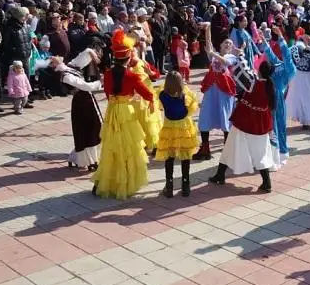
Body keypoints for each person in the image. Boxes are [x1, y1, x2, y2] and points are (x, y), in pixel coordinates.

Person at [92, 30, 155, 199]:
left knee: (111, 147)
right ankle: (127, 181)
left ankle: (105, 180)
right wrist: (149, 101)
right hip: (127, 112)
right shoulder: (132, 76)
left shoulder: (107, 74)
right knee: (129, 147)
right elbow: (147, 94)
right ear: (128, 58)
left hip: (112, 111)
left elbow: (107, 93)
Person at [208, 60, 279, 193]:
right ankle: (266, 182)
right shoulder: (270, 86)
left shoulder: (254, 83)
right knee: (260, 152)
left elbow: (240, 72)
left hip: (244, 120)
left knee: (230, 146)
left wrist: (240, 54)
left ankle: (220, 175)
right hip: (261, 122)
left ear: (260, 70)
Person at [49, 51, 104, 171]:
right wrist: (100, 82)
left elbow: (83, 56)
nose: (55, 55)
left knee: (94, 128)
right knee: (88, 130)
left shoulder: (70, 66)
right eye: (53, 59)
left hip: (88, 100)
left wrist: (91, 52)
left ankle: (88, 158)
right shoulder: (65, 76)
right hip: (82, 102)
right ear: (54, 65)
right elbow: (85, 86)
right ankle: (89, 160)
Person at [193, 25, 237, 161]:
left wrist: (213, 54)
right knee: (205, 116)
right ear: (221, 45)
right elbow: (209, 44)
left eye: (230, 44)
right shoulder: (214, 54)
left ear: (231, 48)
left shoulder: (232, 57)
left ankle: (228, 150)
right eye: (225, 43)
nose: (227, 44)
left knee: (225, 118)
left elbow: (224, 61)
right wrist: (208, 29)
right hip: (211, 89)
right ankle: (205, 148)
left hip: (224, 91)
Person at [155, 71, 200, 198]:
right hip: (184, 127)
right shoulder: (186, 96)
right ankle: (186, 185)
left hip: (169, 127)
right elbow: (191, 109)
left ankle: (169, 186)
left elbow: (160, 97)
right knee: (185, 156)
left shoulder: (162, 95)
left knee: (169, 156)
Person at [258, 26, 296, 163]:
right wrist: (263, 40)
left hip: (278, 98)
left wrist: (281, 37)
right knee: (269, 124)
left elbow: (286, 54)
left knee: (279, 125)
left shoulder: (289, 69)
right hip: (267, 94)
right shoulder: (277, 64)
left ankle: (281, 152)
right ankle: (271, 151)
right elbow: (270, 55)